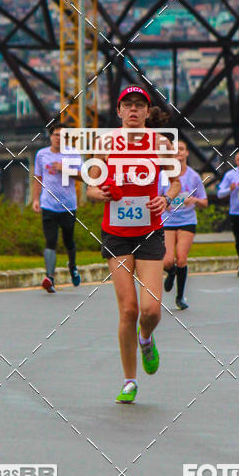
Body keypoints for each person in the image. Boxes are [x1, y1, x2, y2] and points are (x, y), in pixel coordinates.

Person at [87, 86, 180, 404]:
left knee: (151, 310)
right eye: (127, 105)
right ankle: (129, 381)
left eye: (140, 106)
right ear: (119, 111)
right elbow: (90, 187)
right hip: (116, 234)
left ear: (147, 112)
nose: (133, 111)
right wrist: (102, 193)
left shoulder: (161, 144)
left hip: (149, 232)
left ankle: (146, 338)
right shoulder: (106, 143)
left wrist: (165, 198)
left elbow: (177, 181)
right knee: (128, 309)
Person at [32, 123, 82, 293]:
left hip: (68, 205)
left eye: (62, 136)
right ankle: (50, 278)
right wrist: (35, 200)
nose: (58, 138)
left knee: (68, 240)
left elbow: (83, 176)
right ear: (50, 136)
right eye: (55, 135)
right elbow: (37, 178)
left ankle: (73, 266)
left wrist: (65, 168)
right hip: (48, 205)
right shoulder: (41, 155)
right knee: (50, 240)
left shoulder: (73, 154)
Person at [161, 140, 208, 309]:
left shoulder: (194, 176)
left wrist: (194, 199)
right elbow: (157, 196)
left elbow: (204, 202)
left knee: (181, 258)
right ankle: (170, 271)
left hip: (187, 220)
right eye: (174, 150)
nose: (178, 152)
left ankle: (180, 297)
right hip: (167, 220)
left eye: (181, 149)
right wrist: (164, 202)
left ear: (187, 153)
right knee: (167, 261)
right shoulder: (163, 175)